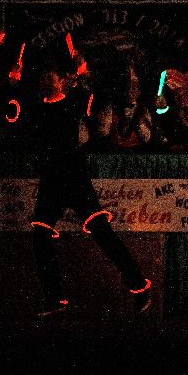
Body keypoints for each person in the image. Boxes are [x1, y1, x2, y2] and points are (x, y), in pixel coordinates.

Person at [26, 50, 152, 315]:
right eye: (43, 76)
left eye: (51, 76)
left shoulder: (75, 101)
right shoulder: (37, 107)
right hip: (51, 180)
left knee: (101, 231)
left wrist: (84, 73)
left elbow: (98, 90)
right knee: (40, 234)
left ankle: (139, 286)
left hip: (73, 177)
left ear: (62, 79)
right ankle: (55, 300)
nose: (46, 80)